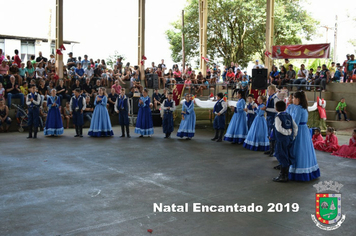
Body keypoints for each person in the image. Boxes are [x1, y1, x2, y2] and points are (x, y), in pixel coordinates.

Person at [289, 91, 320, 181]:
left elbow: (295, 122)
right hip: (304, 130)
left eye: (294, 98)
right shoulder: (304, 108)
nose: (293, 99)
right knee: (305, 150)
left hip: (299, 130)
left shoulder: (298, 108)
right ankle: (309, 169)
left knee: (299, 150)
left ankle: (298, 171)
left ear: (298, 99)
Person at [272, 101, 298, 182]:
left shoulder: (277, 117)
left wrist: (287, 132)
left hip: (281, 139)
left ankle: (283, 175)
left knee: (281, 155)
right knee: (287, 154)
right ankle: (285, 174)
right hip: (289, 139)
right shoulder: (289, 115)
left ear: (276, 109)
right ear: (285, 107)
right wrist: (293, 135)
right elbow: (295, 126)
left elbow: (278, 128)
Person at [264, 85, 280, 156]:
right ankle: (270, 148)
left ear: (274, 91)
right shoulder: (270, 98)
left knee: (272, 133)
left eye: (270, 90)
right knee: (269, 132)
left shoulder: (275, 99)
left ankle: (273, 150)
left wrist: (266, 109)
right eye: (268, 90)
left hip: (273, 118)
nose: (268, 92)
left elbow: (276, 109)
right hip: (269, 117)